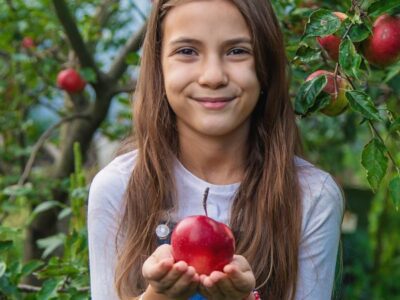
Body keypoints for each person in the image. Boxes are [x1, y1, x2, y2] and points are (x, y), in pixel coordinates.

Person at [87, 0, 344, 299]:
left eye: (237, 51)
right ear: (158, 65)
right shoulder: (119, 188)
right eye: (187, 51)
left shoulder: (311, 197)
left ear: (266, 65)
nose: (212, 76)